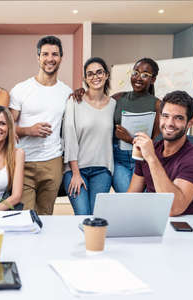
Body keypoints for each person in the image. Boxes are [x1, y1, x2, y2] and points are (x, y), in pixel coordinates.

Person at [9, 36, 72, 215]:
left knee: (46, 216)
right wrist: (29, 130)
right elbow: (7, 127)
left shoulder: (67, 92)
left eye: (55, 54)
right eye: (45, 54)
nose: (50, 58)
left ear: (61, 58)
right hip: (24, 161)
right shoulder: (21, 89)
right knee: (25, 216)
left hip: (53, 162)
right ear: (38, 57)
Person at [128, 91, 193, 216]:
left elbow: (173, 208)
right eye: (165, 116)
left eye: (178, 118)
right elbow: (131, 198)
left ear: (190, 122)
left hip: (180, 227)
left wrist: (151, 158)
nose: (169, 123)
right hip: (151, 222)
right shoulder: (151, 149)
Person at [63, 57, 116, 215]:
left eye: (99, 72)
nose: (95, 77)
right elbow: (69, 138)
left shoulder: (114, 104)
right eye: (90, 74)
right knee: (82, 215)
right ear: (85, 79)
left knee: (96, 217)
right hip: (76, 170)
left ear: (106, 75)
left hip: (102, 170)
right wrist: (76, 173)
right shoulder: (74, 101)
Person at [110, 57, 162, 192]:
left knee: (139, 204)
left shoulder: (158, 105)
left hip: (142, 160)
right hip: (119, 160)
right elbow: (95, 105)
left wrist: (131, 139)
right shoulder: (117, 98)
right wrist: (80, 93)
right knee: (127, 201)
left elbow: (157, 142)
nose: (138, 78)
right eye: (135, 73)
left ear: (153, 80)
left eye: (145, 75)